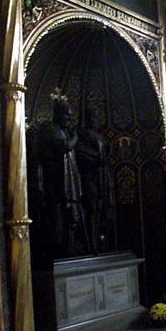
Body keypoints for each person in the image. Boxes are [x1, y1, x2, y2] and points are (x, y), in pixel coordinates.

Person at [27, 98, 86, 260]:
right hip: (51, 181)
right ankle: (54, 246)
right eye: (66, 116)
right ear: (57, 114)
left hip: (64, 181)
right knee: (55, 215)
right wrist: (75, 136)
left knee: (67, 214)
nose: (69, 120)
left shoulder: (62, 130)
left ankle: (68, 244)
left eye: (70, 116)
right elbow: (64, 147)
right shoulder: (48, 128)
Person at [76, 107, 114, 254]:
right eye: (91, 116)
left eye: (96, 117)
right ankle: (90, 244)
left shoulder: (100, 137)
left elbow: (105, 155)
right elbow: (80, 155)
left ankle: (99, 242)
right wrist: (96, 161)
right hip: (88, 176)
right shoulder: (81, 135)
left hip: (101, 177)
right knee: (91, 209)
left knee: (101, 210)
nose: (94, 120)